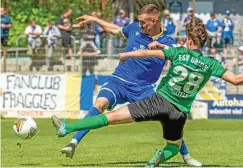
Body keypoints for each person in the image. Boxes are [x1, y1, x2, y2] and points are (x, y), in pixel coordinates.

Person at [52, 18, 243, 167]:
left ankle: (67, 128)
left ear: (189, 40)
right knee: (173, 147)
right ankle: (158, 158)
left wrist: (126, 54)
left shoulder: (178, 53)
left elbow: (145, 53)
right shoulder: (211, 64)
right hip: (179, 113)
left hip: (158, 102)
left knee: (110, 117)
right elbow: (236, 80)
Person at [60, 4, 201, 167]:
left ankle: (186, 155)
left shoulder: (167, 42)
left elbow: (184, 58)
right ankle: (73, 142)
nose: (140, 26)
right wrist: (94, 19)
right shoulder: (134, 29)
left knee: (168, 117)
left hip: (143, 89)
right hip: (118, 81)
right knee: (99, 104)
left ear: (154, 20)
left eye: (143, 23)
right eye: (139, 22)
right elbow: (115, 29)